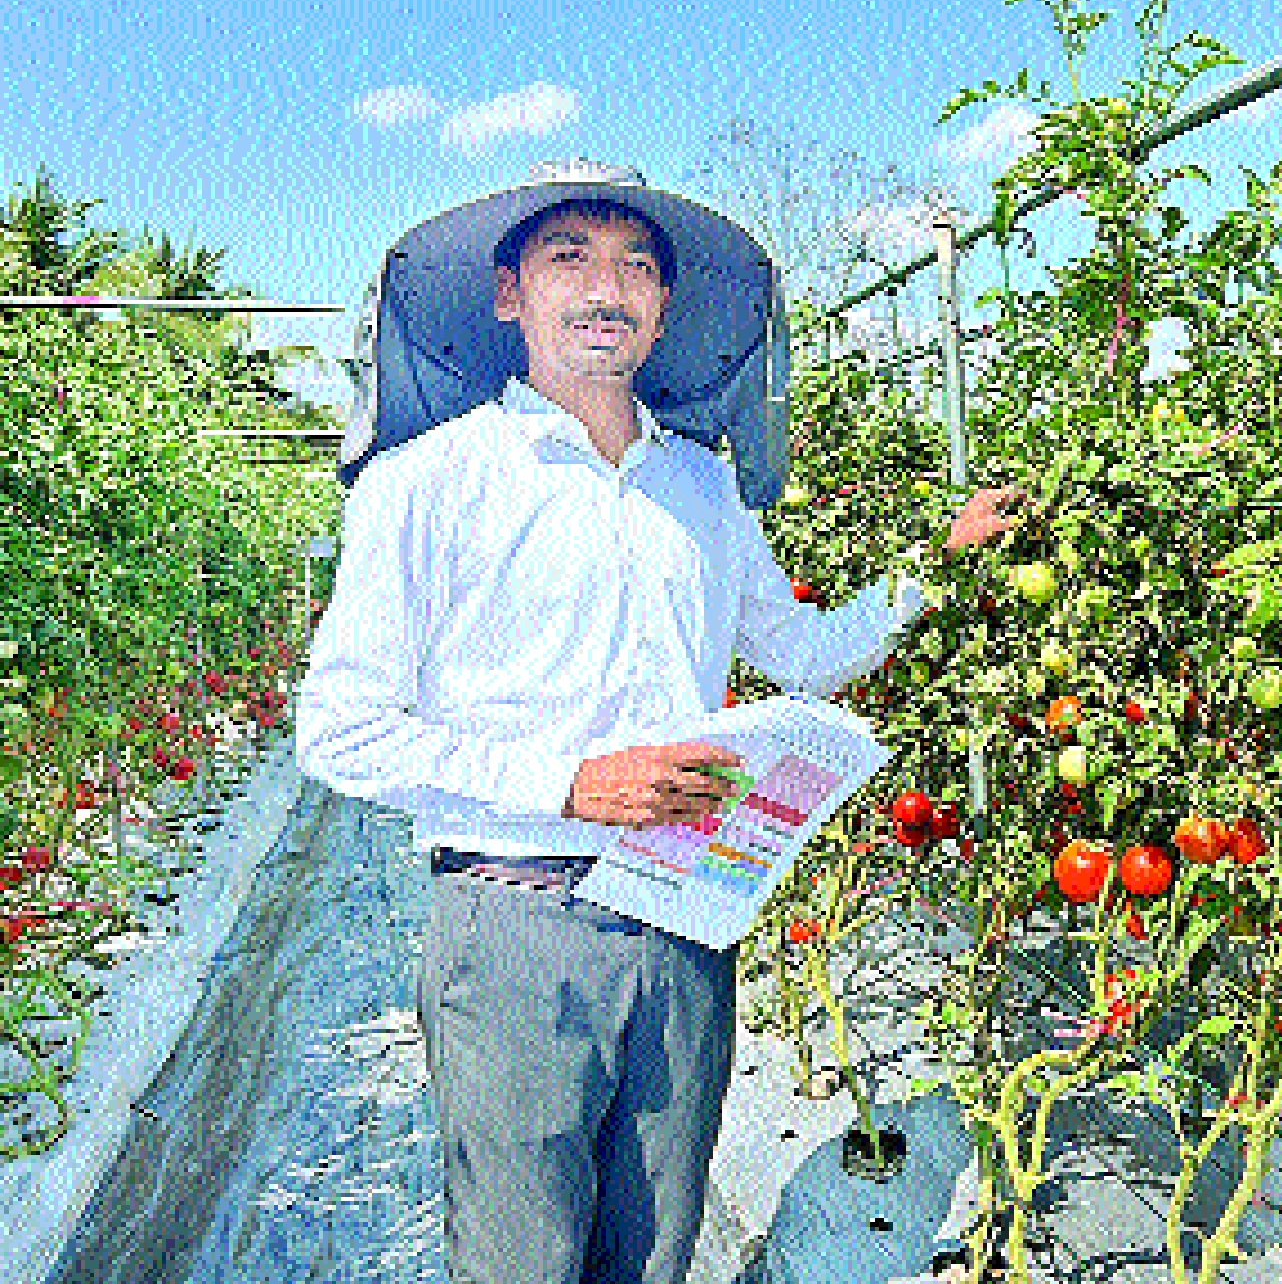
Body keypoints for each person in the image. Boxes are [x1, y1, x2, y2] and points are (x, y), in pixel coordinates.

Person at [294, 173, 1020, 1284]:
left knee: (655, 1243)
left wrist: (936, 564)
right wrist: (571, 781)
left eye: (637, 265)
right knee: (521, 1258)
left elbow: (802, 651)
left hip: (686, 916)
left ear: (664, 308)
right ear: (508, 294)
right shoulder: (426, 483)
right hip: (515, 924)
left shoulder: (703, 486)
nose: (606, 289)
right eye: (570, 259)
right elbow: (339, 730)